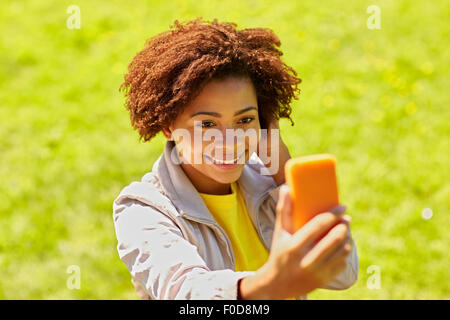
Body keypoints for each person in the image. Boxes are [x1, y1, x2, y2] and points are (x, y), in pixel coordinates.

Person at [113, 17, 358, 300]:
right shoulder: (141, 209)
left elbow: (343, 273)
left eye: (244, 120)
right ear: (169, 126)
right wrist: (272, 283)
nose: (229, 142)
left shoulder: (272, 182)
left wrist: (282, 170)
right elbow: (187, 294)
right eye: (206, 124)